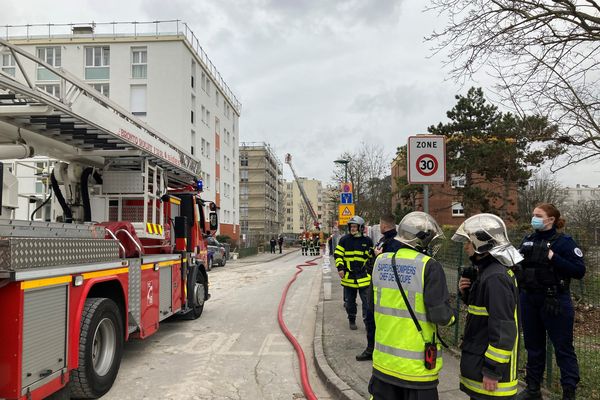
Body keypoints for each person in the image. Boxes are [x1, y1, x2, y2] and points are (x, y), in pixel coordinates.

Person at [369, 211, 455, 400]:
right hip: (416, 369)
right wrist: (453, 316)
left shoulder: (380, 261)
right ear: (422, 239)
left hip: (383, 364)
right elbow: (441, 316)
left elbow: (371, 304)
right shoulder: (429, 266)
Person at [516, 204, 585, 400]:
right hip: (529, 299)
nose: (534, 218)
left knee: (563, 348)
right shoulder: (528, 240)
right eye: (533, 215)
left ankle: (569, 392)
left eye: (538, 215)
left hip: (554, 300)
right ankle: (532, 389)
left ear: (551, 219)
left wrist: (553, 257)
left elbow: (579, 271)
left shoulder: (564, 242)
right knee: (533, 347)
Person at [452, 213, 521, 400]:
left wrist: (492, 370)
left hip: (490, 378)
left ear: (481, 244)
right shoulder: (487, 272)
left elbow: (503, 327)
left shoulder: (495, 277)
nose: (465, 246)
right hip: (479, 361)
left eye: (468, 241)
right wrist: (467, 293)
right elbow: (482, 311)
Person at [356, 213, 402, 362]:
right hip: (376, 284)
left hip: (386, 290)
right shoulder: (384, 240)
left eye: (380, 224)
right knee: (371, 318)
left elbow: (391, 266)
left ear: (383, 225)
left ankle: (376, 350)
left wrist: (378, 257)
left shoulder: (395, 242)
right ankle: (372, 348)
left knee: (378, 320)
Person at [334, 216, 374, 330]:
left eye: (355, 226)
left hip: (364, 277)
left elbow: (371, 258)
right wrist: (340, 268)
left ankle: (368, 323)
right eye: (351, 226)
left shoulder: (367, 241)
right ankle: (352, 319)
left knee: (367, 303)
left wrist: (370, 271)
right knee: (350, 303)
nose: (353, 229)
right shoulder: (344, 240)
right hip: (349, 277)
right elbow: (338, 255)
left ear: (361, 228)